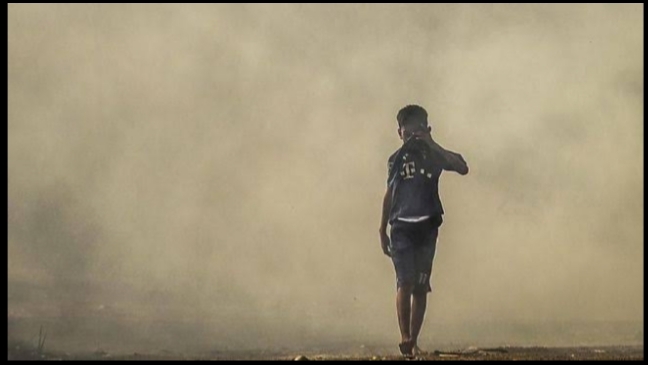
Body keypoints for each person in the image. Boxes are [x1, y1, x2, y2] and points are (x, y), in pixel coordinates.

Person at [379, 104, 468, 358]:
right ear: (399, 133)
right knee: (403, 281)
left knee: (420, 285)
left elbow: (462, 166)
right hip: (401, 227)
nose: (411, 139)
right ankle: (405, 336)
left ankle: (413, 341)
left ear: (427, 130)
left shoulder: (433, 155)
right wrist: (381, 227)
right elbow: (389, 192)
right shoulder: (395, 160)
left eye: (416, 133)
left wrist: (431, 143)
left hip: (427, 226)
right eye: (407, 135)